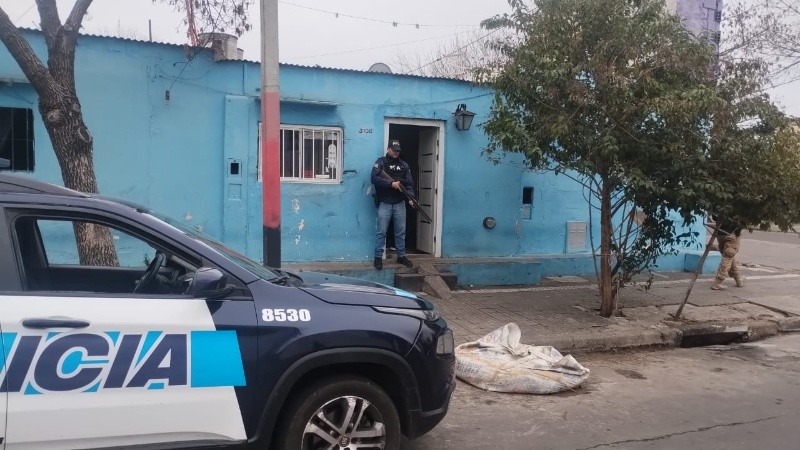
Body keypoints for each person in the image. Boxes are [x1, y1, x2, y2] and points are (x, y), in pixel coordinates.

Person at [371, 139, 416, 270]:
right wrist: (390, 184)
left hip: (400, 202)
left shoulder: (404, 165)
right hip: (385, 202)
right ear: (388, 148)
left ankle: (401, 256)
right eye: (394, 150)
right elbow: (374, 178)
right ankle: (378, 257)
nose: (396, 153)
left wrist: (411, 198)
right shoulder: (380, 163)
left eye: (398, 151)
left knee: (401, 232)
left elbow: (409, 184)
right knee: (381, 231)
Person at [711, 216, 744, 290]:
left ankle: (738, 280)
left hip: (720, 233)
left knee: (728, 256)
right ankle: (717, 282)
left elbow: (715, 217)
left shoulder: (721, 205)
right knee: (727, 257)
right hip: (732, 234)